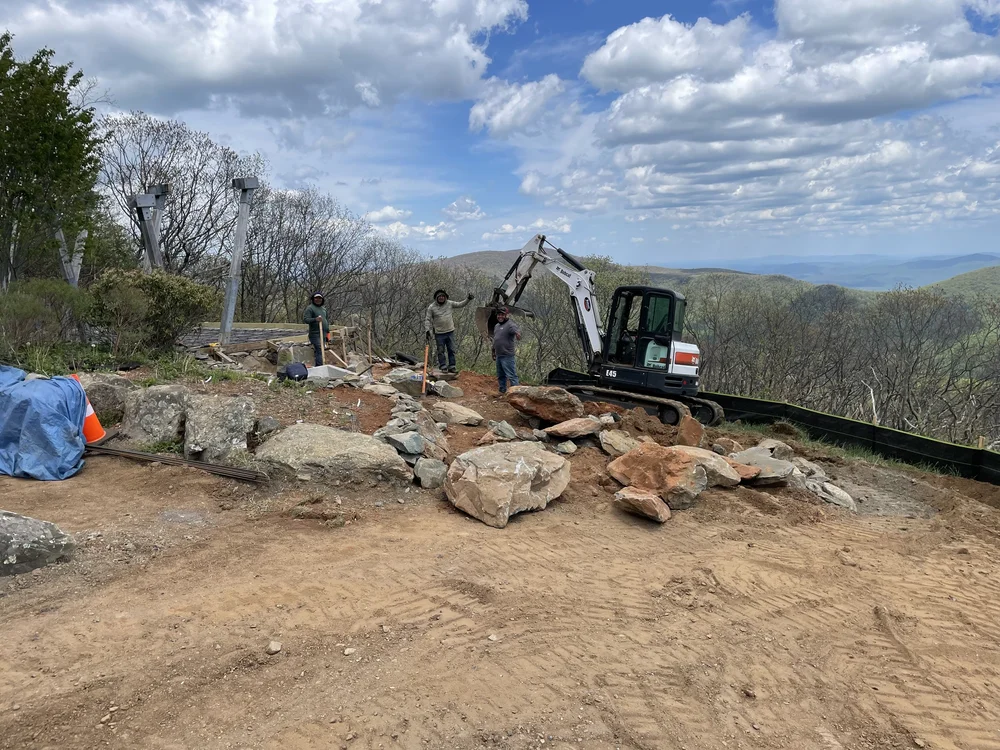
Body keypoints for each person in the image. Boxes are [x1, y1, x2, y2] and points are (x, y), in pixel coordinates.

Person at [424, 289, 474, 373]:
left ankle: (452, 366)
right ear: (436, 298)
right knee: (440, 351)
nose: (441, 298)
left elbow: (460, 304)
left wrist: (468, 299)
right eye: (439, 297)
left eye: (443, 296)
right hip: (439, 333)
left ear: (446, 297)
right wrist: (427, 330)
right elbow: (427, 319)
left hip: (450, 331)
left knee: (451, 349)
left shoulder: (449, 303)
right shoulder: (432, 307)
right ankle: (443, 366)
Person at [491, 306, 521, 394]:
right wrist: (493, 351)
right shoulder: (496, 326)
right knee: (501, 376)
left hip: (507, 355)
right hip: (499, 355)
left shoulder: (510, 325)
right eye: (499, 315)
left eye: (502, 315)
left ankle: (517, 394)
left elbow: (517, 332)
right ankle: (502, 392)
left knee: (511, 375)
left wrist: (518, 334)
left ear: (506, 315)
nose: (500, 316)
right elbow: (496, 339)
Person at [302, 292, 330, 367]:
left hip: (323, 334)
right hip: (315, 334)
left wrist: (327, 333)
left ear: (322, 299)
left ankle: (320, 365)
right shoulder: (310, 308)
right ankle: (320, 367)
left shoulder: (323, 309)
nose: (318, 299)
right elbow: (306, 319)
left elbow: (326, 321)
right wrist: (315, 319)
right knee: (320, 350)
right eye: (316, 298)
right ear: (313, 299)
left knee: (321, 350)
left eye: (320, 298)